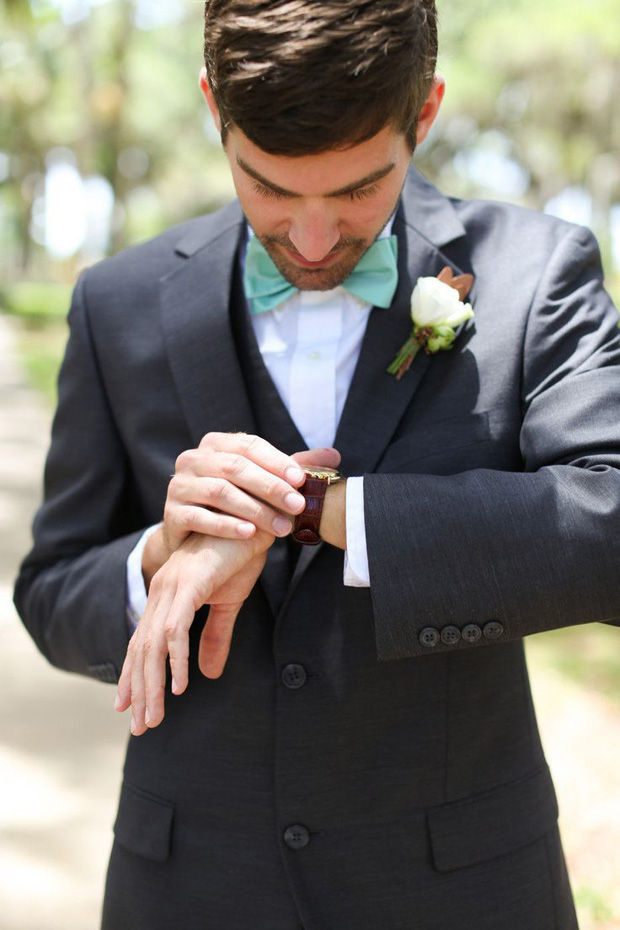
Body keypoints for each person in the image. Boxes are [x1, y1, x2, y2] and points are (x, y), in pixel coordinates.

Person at [13, 1, 620, 927]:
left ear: (425, 114)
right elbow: (53, 589)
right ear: (216, 109)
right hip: (187, 887)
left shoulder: (538, 274)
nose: (308, 240)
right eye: (268, 187)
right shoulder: (118, 302)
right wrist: (157, 560)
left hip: (462, 891)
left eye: (356, 192)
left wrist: (314, 511)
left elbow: (608, 528)